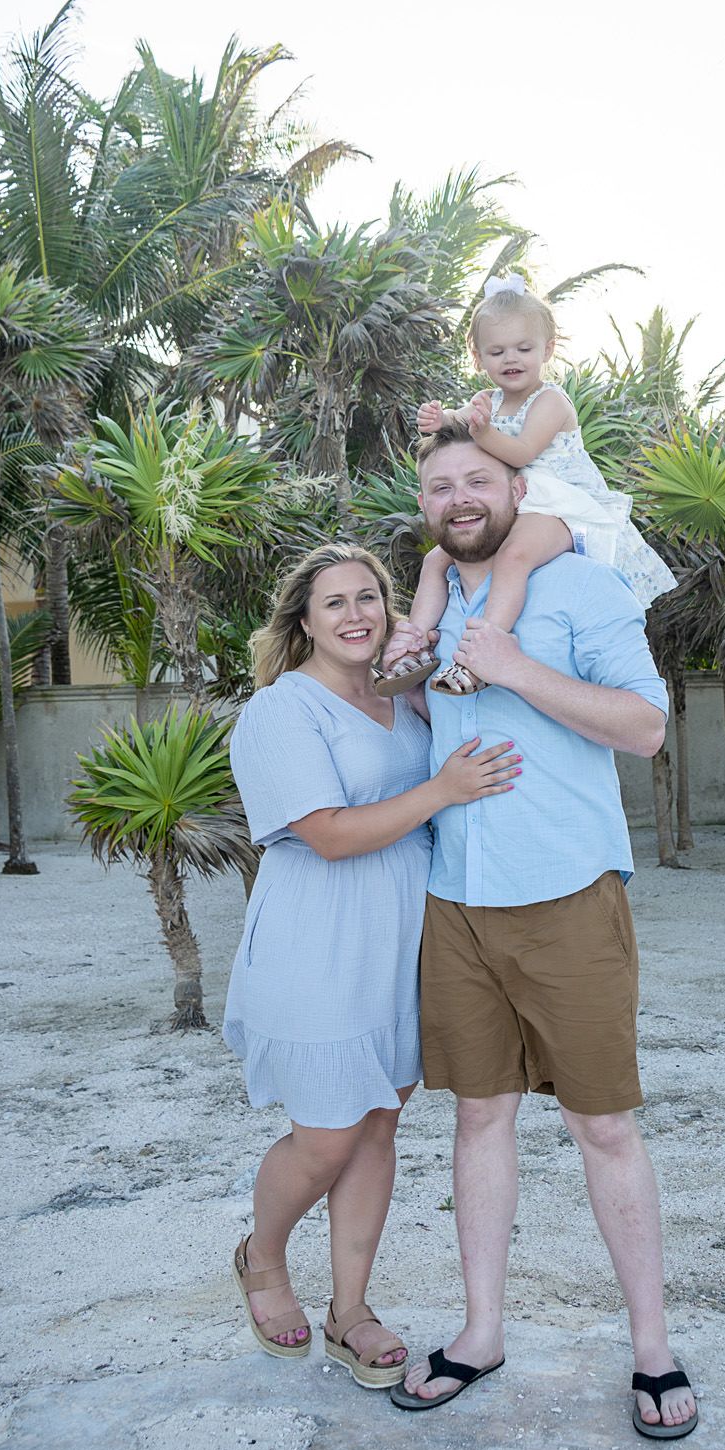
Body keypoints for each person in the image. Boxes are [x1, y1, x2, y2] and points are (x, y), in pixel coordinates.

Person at [390, 427, 698, 1439]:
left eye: (477, 479)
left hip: (566, 893)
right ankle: (481, 1332)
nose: (458, 497)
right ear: (426, 505)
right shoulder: (431, 606)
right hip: (456, 898)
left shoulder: (580, 585)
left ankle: (651, 1348)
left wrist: (514, 666)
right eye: (440, 485)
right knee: (477, 1118)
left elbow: (645, 726)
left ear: (520, 485)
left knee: (601, 1124)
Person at [223, 543, 521, 1387]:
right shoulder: (282, 711)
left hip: (401, 940)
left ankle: (349, 1308)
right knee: (324, 1137)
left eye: (369, 598)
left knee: (379, 1123)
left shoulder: (406, 704)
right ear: (303, 623)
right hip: (317, 941)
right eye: (333, 604)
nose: (355, 615)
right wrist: (442, 791)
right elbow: (324, 832)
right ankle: (262, 1257)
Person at [376, 273, 673, 697]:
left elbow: (520, 453)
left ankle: (479, 657)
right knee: (435, 561)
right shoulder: (490, 401)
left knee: (513, 556)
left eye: (524, 348)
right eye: (497, 351)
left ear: (547, 350)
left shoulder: (551, 401)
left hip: (563, 505)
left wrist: (480, 433)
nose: (510, 358)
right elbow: (459, 420)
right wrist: (439, 420)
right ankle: (415, 647)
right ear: (478, 357)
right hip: (524, 501)